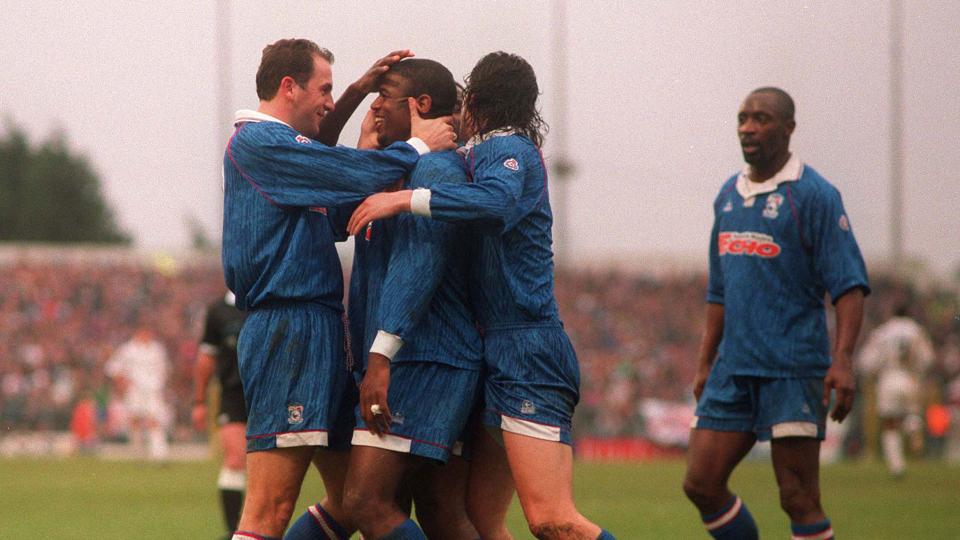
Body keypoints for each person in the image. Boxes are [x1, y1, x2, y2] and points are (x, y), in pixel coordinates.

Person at [347, 51, 614, 540]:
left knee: (552, 520)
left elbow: (495, 204)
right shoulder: (467, 156)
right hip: (492, 350)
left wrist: (403, 198)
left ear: (479, 98)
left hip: (527, 349)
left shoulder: (506, 146)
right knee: (478, 518)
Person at [222, 38, 455, 540]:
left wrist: (351, 94)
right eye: (324, 89)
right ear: (289, 87)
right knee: (270, 507)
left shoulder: (289, 156)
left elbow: (338, 208)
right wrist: (417, 146)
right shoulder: (259, 143)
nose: (331, 102)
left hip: (320, 328)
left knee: (356, 502)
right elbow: (345, 171)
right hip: (288, 329)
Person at [682, 87, 869, 540]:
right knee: (701, 484)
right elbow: (719, 290)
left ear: (788, 128)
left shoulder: (815, 195)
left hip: (791, 365)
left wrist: (842, 361)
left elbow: (849, 285)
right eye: (743, 118)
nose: (748, 127)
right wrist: (706, 361)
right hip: (734, 366)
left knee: (798, 498)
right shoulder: (729, 195)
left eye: (761, 118)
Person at [192, 291, 249, 537]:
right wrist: (199, 401)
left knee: (263, 465)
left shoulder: (266, 300)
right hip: (233, 395)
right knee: (236, 458)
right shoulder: (218, 311)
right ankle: (233, 532)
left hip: (268, 394)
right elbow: (206, 358)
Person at [857, 302, 935, 477]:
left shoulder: (882, 331)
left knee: (889, 422)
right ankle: (912, 427)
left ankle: (897, 466)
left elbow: (867, 361)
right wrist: (919, 372)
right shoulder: (917, 331)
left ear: (892, 313)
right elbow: (928, 358)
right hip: (911, 377)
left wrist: (872, 373)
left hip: (888, 378)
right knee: (912, 413)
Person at [105, 322, 170, 462]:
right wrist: (122, 383)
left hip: (153, 390)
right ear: (138, 333)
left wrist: (162, 386)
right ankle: (138, 453)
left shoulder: (157, 349)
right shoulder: (128, 349)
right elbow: (112, 368)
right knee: (135, 420)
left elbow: (163, 369)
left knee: (154, 420)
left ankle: (159, 454)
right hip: (134, 390)